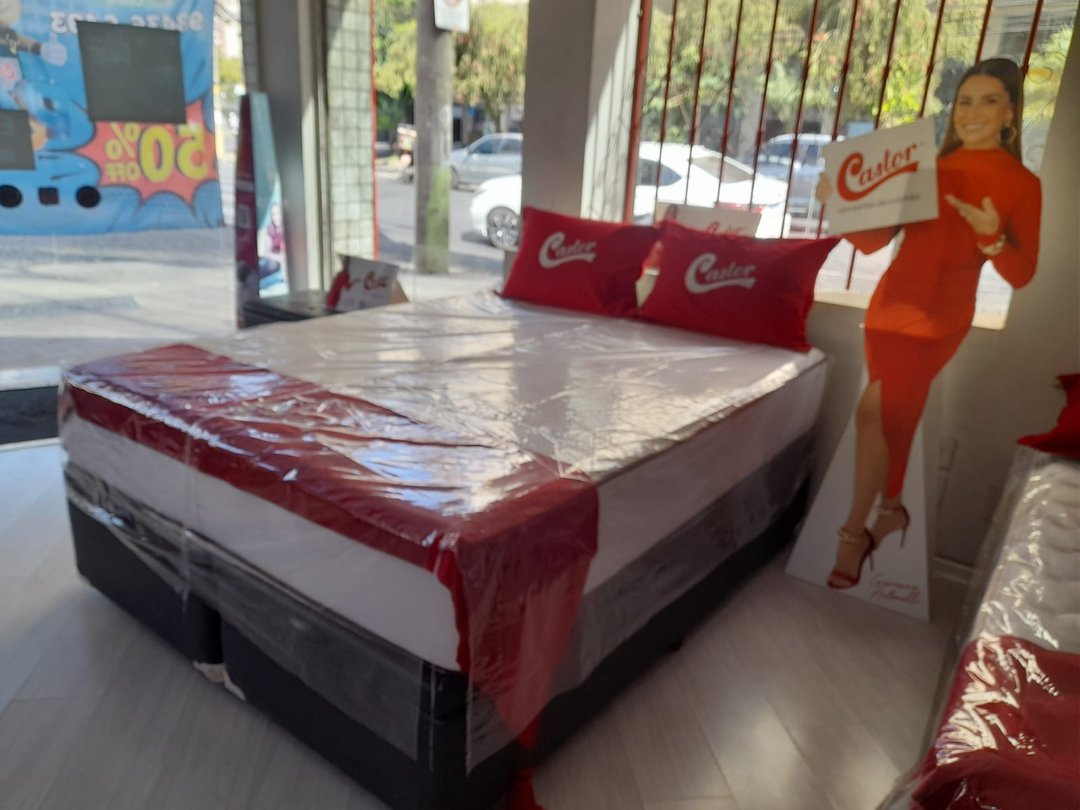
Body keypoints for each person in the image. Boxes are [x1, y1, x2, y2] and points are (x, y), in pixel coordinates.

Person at [816, 57, 1041, 589]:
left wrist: (991, 236)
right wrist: (838, 205)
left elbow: (1022, 273)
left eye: (989, 101)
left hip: (941, 316)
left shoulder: (1022, 184)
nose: (973, 112)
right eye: (965, 101)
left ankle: (853, 534)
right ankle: (891, 508)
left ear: (1010, 112)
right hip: (889, 306)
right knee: (893, 419)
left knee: (874, 412)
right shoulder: (923, 168)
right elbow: (874, 242)